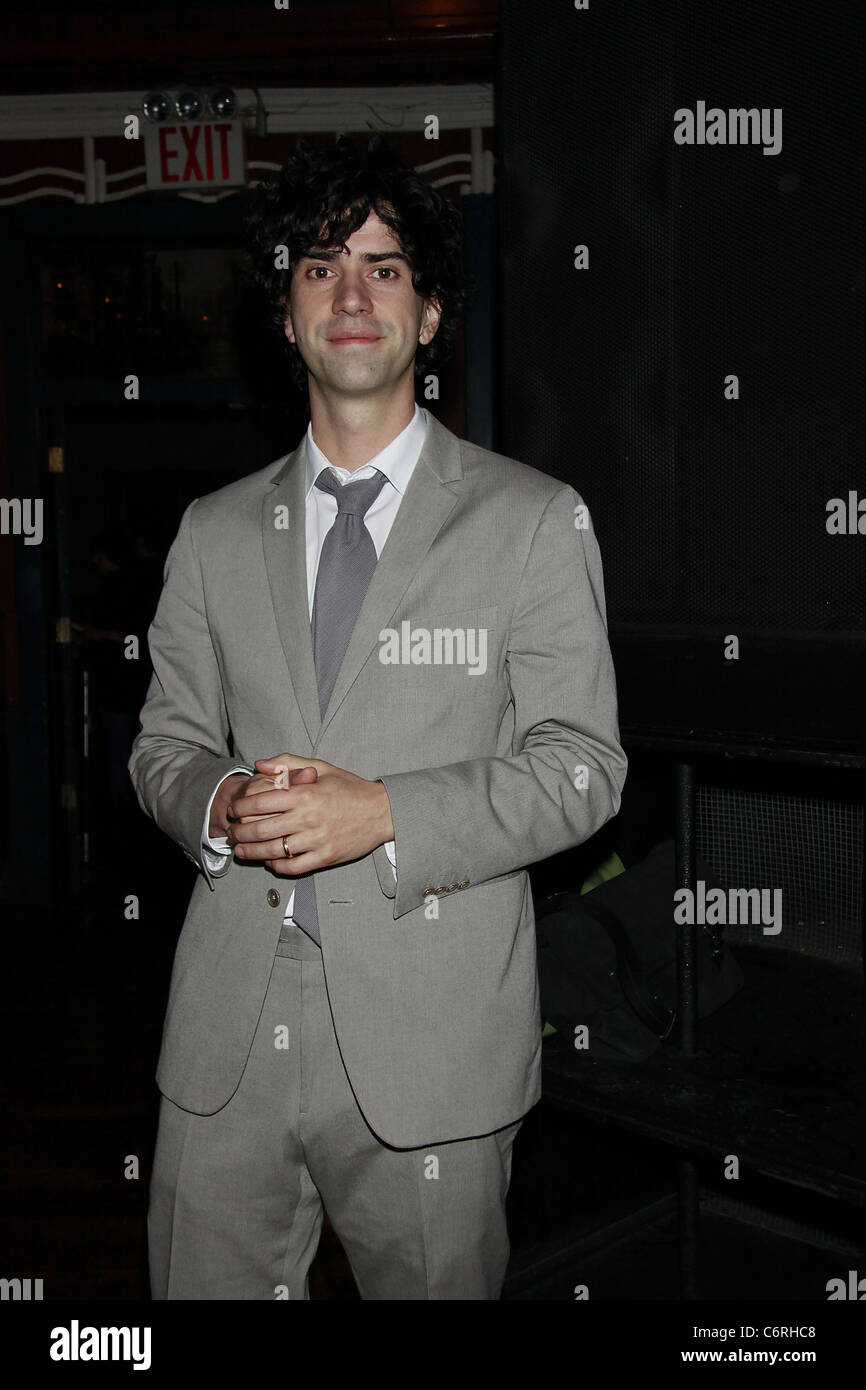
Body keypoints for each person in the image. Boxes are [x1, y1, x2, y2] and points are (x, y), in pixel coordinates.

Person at [129, 133, 628, 1301]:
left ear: (432, 311)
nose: (351, 292)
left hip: (435, 1041)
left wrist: (385, 813)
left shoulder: (533, 520)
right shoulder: (209, 530)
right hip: (225, 1040)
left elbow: (582, 767)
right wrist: (213, 797)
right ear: (287, 313)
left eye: (385, 266)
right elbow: (163, 742)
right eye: (319, 266)